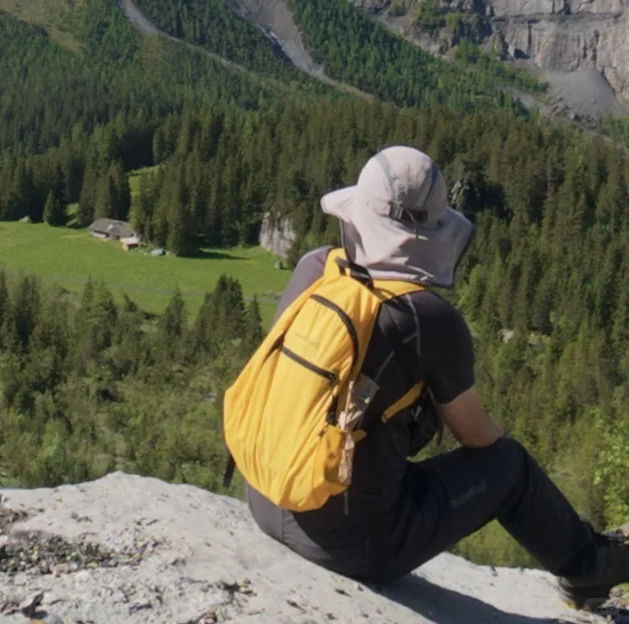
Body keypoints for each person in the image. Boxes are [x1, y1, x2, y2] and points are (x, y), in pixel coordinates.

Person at [243, 145, 629, 609]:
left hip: (264, 497)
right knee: (509, 465)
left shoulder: (315, 268)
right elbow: (478, 437)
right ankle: (586, 568)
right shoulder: (425, 316)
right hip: (355, 546)